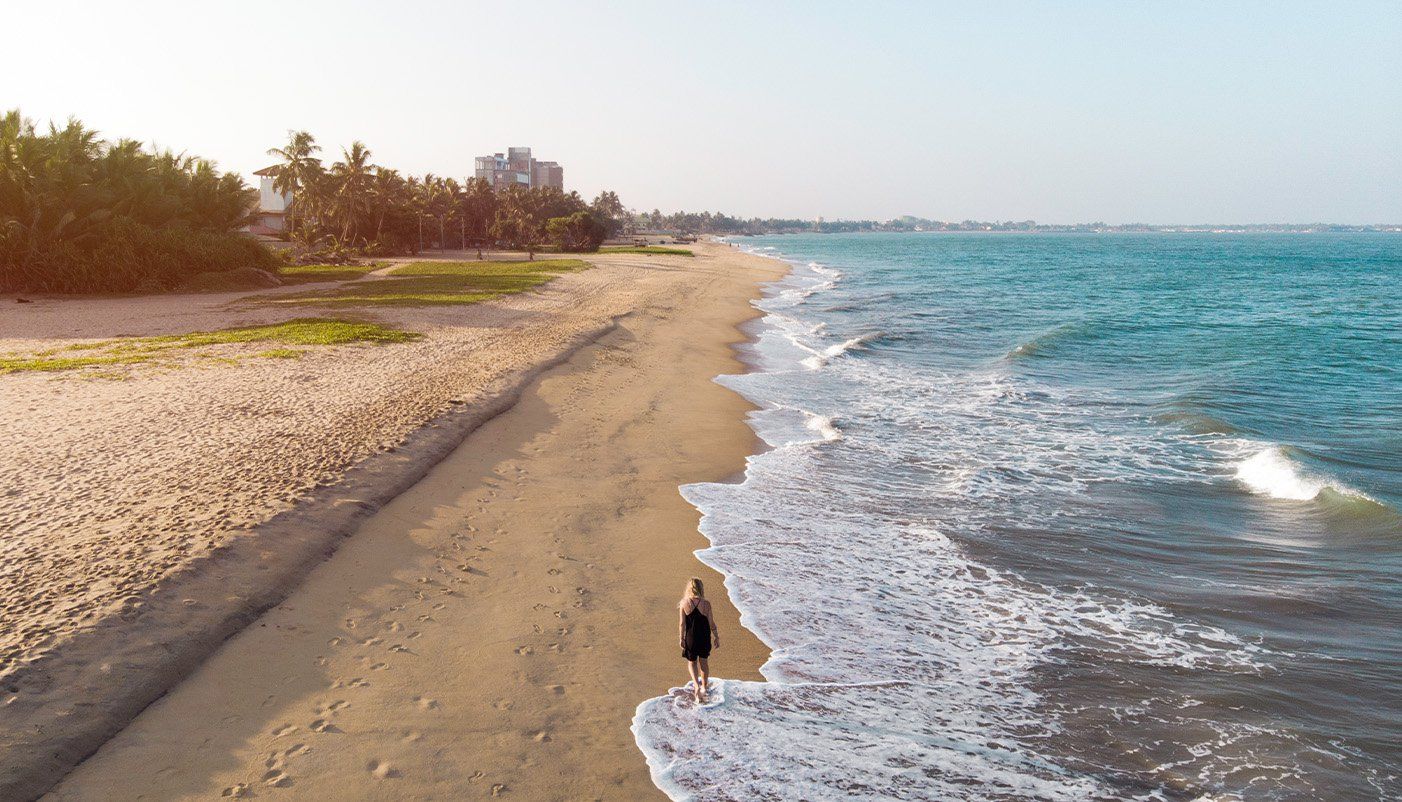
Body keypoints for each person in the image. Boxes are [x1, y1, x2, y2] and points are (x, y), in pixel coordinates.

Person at [678, 577, 719, 703]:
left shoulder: (684, 603)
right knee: (704, 663)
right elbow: (711, 623)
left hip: (691, 638)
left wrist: (681, 638)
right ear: (701, 588)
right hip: (704, 638)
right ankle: (703, 687)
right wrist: (716, 636)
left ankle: (696, 685)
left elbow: (682, 624)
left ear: (689, 588)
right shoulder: (706, 604)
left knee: (692, 662)